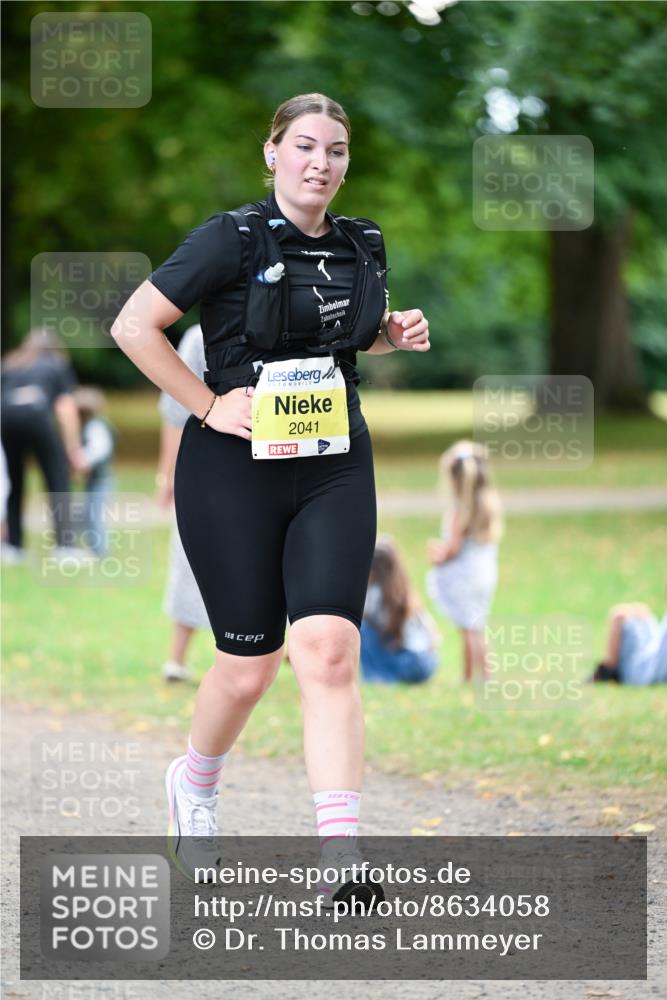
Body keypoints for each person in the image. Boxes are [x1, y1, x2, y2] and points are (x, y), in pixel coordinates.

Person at [111, 93, 430, 906]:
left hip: (332, 463)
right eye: (305, 147)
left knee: (326, 650)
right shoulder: (230, 238)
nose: (321, 162)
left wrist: (388, 331)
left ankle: (341, 858)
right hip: (232, 472)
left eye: (336, 150)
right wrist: (209, 404)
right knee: (248, 668)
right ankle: (195, 782)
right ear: (273, 153)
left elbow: (335, 333)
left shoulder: (364, 243)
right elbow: (133, 327)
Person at [155, 324, 211, 683]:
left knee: (191, 557)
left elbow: (175, 414)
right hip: (209, 465)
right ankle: (176, 659)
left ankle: (176, 659)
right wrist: (168, 476)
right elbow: (176, 413)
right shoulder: (199, 338)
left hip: (204, 462)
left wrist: (167, 476)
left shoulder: (198, 336)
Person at [1, 328, 85, 564]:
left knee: (15, 481)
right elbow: (66, 409)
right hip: (37, 415)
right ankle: (65, 546)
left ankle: (13, 546)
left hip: (5, 419)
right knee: (57, 479)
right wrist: (74, 449)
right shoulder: (55, 365)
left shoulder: (10, 365)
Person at [427, 440, 503, 683]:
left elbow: (453, 548)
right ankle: (484, 675)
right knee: (478, 627)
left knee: (468, 629)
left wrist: (437, 553)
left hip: (465, 576)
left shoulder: (460, 509)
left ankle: (470, 676)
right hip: (485, 573)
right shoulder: (488, 504)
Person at [361, 538, 440, 684]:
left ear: (375, 571)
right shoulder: (405, 593)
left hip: (409, 662)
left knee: (364, 629)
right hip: (427, 663)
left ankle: (376, 676)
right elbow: (434, 635)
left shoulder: (376, 594)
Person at [72, 387, 116, 557]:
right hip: (96, 479)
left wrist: (82, 459)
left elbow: (99, 449)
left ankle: (99, 552)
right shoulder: (92, 424)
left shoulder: (95, 425)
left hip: (102, 479)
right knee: (88, 513)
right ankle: (93, 548)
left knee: (95, 514)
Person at [591, 603, 667, 685]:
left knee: (618, 616)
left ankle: (608, 671)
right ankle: (608, 670)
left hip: (642, 671)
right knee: (639, 610)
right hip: (648, 660)